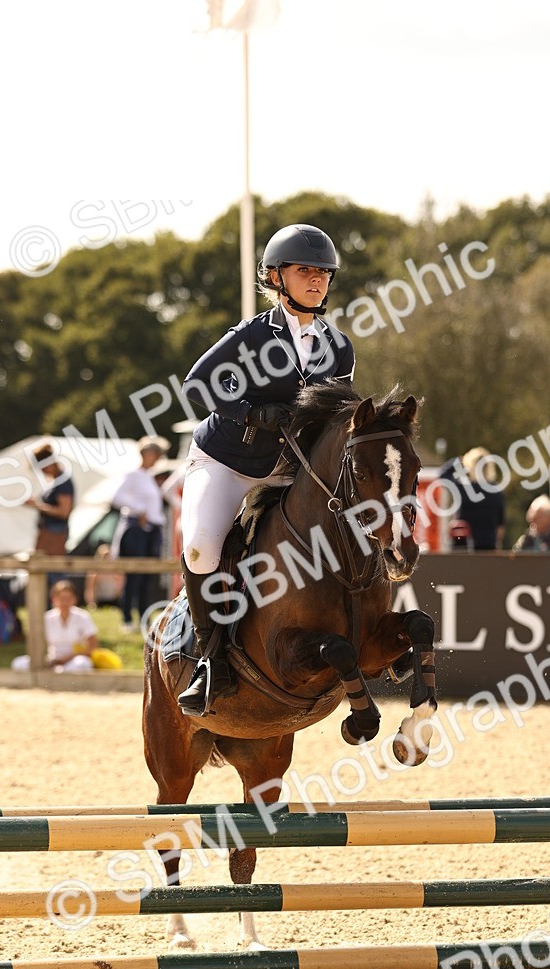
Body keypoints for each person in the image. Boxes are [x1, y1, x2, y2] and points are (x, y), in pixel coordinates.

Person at [176, 222, 355, 716]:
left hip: (286, 470)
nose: (316, 280)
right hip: (227, 461)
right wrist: (251, 412)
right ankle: (209, 661)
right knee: (202, 546)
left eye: (323, 273)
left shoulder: (337, 347)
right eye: (304, 271)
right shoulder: (254, 335)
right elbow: (198, 384)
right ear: (276, 277)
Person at [111, 436, 170, 632]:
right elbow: (117, 497)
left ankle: (144, 616)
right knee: (134, 576)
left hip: (151, 530)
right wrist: (139, 510)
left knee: (147, 576)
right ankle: (127, 618)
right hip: (137, 530)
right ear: (147, 454)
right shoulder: (134, 475)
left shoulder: (148, 477)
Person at [11, 579, 99, 672]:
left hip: (74, 660)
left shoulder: (83, 617)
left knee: (82, 664)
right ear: (54, 599)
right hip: (52, 660)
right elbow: (38, 645)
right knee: (18, 663)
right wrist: (47, 659)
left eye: (68, 599)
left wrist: (68, 658)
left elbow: (92, 648)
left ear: (74, 599)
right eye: (61, 599)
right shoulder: (47, 618)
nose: (65, 603)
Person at [440, 446, 505, 551]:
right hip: (488, 545)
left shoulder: (463, 487)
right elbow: (500, 525)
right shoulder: (497, 491)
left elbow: (442, 476)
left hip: (462, 544)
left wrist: (459, 460)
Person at [84, 544, 125, 610]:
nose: (106, 558)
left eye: (108, 555)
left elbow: (120, 588)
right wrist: (92, 604)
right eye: (103, 556)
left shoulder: (117, 571)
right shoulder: (94, 572)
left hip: (114, 601)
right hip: (100, 601)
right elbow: (89, 589)